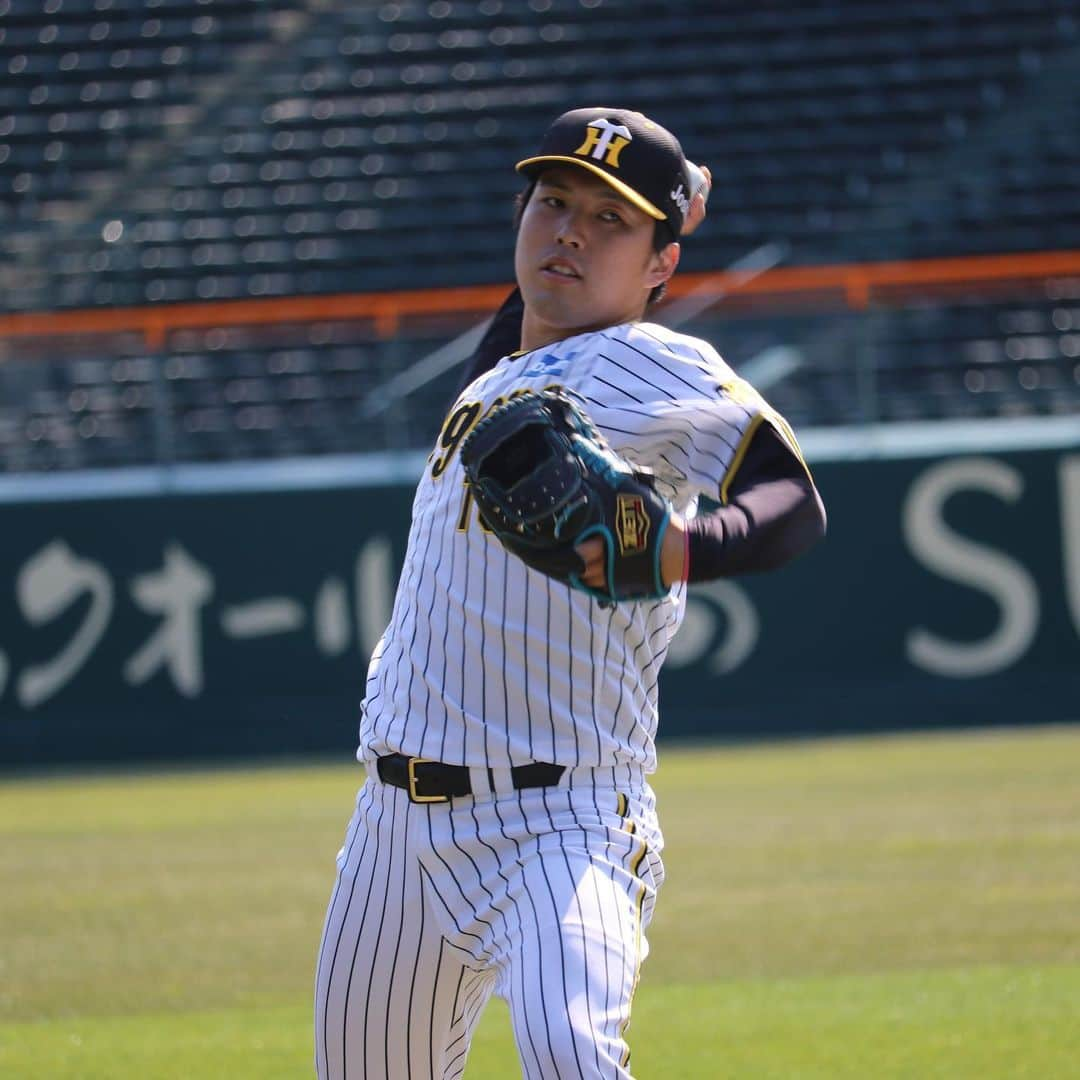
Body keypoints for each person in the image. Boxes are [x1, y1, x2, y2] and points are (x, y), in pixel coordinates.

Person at [314, 106, 826, 1080]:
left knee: (568, 1057)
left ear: (662, 269)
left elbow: (791, 502)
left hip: (562, 823)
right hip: (394, 832)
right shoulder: (494, 385)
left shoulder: (647, 359)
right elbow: (521, 344)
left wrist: (675, 551)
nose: (571, 233)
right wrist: (663, 209)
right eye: (554, 204)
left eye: (611, 220)